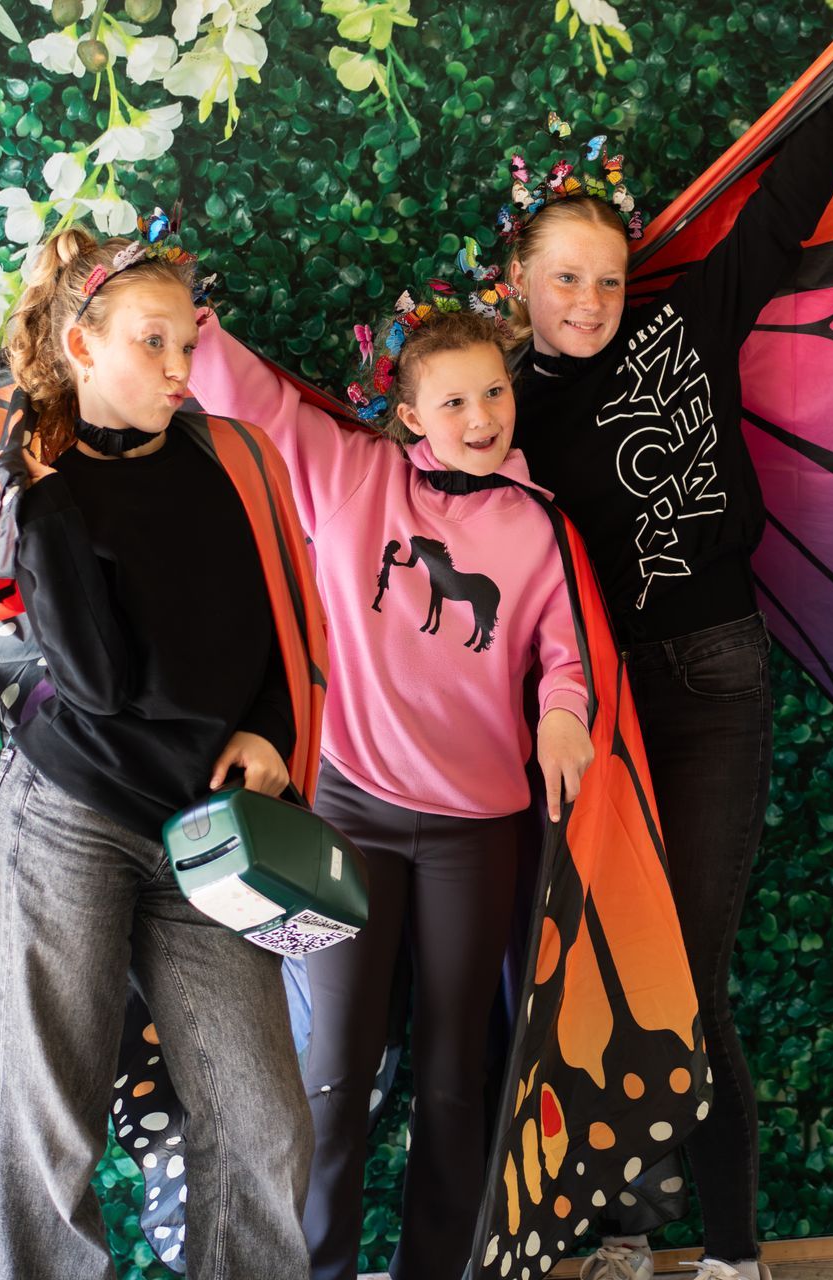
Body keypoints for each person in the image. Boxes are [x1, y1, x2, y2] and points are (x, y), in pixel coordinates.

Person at [501, 4, 833, 1277]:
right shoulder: (503, 417)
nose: (589, 300)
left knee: (689, 965)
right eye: (565, 278)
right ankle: (629, 1231)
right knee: (614, 970)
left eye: (606, 278)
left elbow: (783, 207)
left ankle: (732, 1252)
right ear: (519, 283)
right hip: (602, 706)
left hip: (719, 676)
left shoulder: (680, 331)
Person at [188, 303, 594, 1280]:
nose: (481, 415)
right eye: (453, 401)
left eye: (493, 392)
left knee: (457, 1076)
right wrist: (181, 320)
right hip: (351, 815)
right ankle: (316, 1269)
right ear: (410, 417)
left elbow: (567, 650)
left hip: (477, 830)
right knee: (332, 1073)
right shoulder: (351, 475)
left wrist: (563, 712)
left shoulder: (540, 523)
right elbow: (251, 399)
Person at [0, 225, 322, 1280]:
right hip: (71, 813)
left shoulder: (233, 458)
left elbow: (289, 614)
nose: (179, 368)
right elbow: (97, 685)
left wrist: (269, 726)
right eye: (152, 343)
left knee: (264, 1123)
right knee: (55, 1120)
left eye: (188, 343)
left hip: (207, 826)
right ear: (82, 346)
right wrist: (44, 504)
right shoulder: (37, 492)